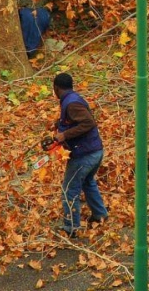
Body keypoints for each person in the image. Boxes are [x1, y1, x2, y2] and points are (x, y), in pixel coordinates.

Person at [52, 73, 108, 237]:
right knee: (88, 182)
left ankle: (71, 228)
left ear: (56, 88)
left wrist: (65, 135)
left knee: (69, 190)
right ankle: (100, 215)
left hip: (85, 155)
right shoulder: (72, 99)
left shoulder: (72, 104)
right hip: (95, 151)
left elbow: (88, 122)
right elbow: (75, 121)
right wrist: (58, 125)